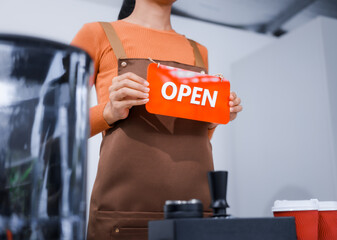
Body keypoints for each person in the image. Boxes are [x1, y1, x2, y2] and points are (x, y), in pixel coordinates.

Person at [71, 0, 242, 239]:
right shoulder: (96, 34)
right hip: (123, 217)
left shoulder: (199, 51)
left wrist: (215, 118)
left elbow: (195, 135)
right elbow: (54, 121)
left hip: (196, 215)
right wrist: (108, 112)